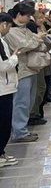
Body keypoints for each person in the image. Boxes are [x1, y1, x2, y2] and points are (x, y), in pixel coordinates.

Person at [6, 3, 48, 143]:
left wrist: (35, 42)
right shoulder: (11, 31)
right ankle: (19, 131)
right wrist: (37, 39)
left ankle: (22, 128)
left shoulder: (25, 29)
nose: (30, 18)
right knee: (21, 102)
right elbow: (24, 46)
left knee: (29, 101)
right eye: (28, 15)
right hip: (21, 71)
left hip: (31, 69)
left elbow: (40, 45)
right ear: (19, 15)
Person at [0, 12, 20, 168]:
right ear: (3, 24)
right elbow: (3, 65)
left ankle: (1, 153)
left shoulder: (2, 40)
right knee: (4, 124)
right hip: (2, 88)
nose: (9, 30)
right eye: (9, 27)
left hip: (5, 87)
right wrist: (15, 57)